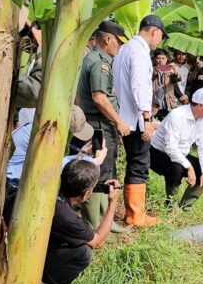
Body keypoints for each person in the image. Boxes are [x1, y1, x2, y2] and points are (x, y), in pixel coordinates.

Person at [113, 14, 167, 227]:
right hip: (135, 119)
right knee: (139, 163)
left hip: (123, 114)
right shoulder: (140, 52)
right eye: (161, 36)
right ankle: (135, 215)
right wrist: (147, 118)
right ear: (154, 31)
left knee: (134, 162)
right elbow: (140, 86)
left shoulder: (125, 49)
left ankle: (132, 212)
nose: (160, 42)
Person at [76, 21, 130, 229]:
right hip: (100, 122)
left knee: (99, 166)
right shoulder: (100, 62)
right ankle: (96, 222)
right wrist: (119, 122)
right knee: (102, 169)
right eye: (118, 42)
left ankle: (98, 216)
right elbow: (99, 97)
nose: (119, 47)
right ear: (107, 39)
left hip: (92, 120)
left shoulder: (91, 58)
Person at [150, 88, 203, 210]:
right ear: (200, 106)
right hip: (157, 154)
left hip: (180, 154)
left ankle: (186, 206)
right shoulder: (177, 116)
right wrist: (189, 167)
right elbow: (171, 148)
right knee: (176, 167)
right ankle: (170, 203)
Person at [152, 49, 186, 122]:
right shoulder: (151, 69)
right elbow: (149, 79)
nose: (160, 60)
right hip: (155, 104)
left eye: (163, 58)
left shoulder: (169, 68)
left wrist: (175, 72)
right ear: (155, 59)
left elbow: (179, 79)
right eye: (158, 58)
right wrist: (155, 71)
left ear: (167, 59)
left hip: (168, 103)